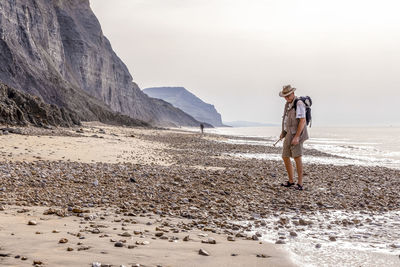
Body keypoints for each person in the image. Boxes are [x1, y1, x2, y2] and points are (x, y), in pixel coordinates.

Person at [279, 85, 309, 190]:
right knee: (285, 156)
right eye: (285, 96)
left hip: (297, 134)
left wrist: (297, 137)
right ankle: (291, 181)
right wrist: (283, 132)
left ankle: (300, 184)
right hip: (288, 134)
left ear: (292, 93)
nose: (286, 98)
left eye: (288, 95)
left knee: (297, 157)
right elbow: (286, 120)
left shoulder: (299, 103)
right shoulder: (287, 104)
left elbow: (302, 121)